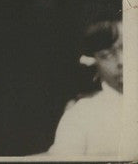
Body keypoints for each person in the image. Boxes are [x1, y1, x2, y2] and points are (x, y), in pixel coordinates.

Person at [46, 18, 123, 157]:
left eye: (127, 48)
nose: (121, 61)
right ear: (93, 63)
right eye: (107, 55)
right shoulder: (81, 116)